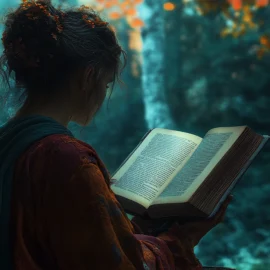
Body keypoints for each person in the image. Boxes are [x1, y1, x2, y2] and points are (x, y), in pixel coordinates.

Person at [0, 1, 233, 269]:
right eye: (107, 83)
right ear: (89, 76)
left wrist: (143, 226)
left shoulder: (9, 143)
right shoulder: (65, 158)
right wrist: (184, 237)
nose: (104, 93)